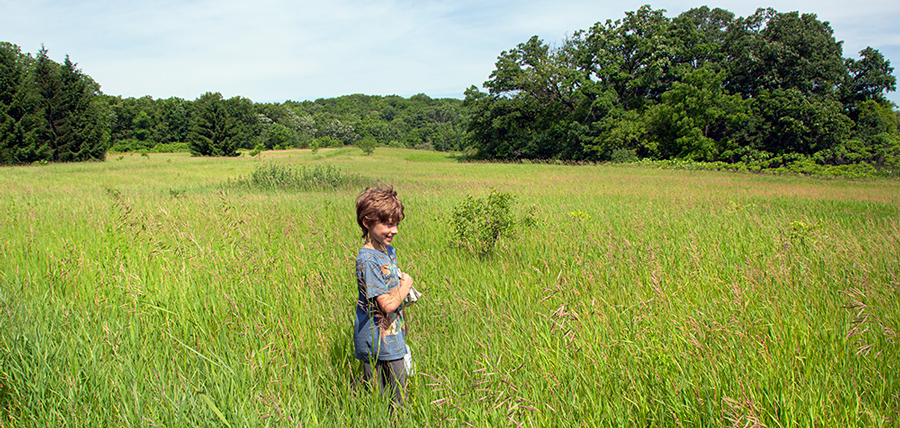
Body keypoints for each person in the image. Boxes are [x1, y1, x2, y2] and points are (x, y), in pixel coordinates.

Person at [353, 186, 414, 410]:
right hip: (376, 341)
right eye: (388, 224)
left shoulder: (387, 250)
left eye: (396, 224)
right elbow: (387, 305)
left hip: (392, 335)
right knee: (383, 400)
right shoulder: (368, 259)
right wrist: (406, 286)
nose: (394, 230)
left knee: (397, 394)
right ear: (367, 223)